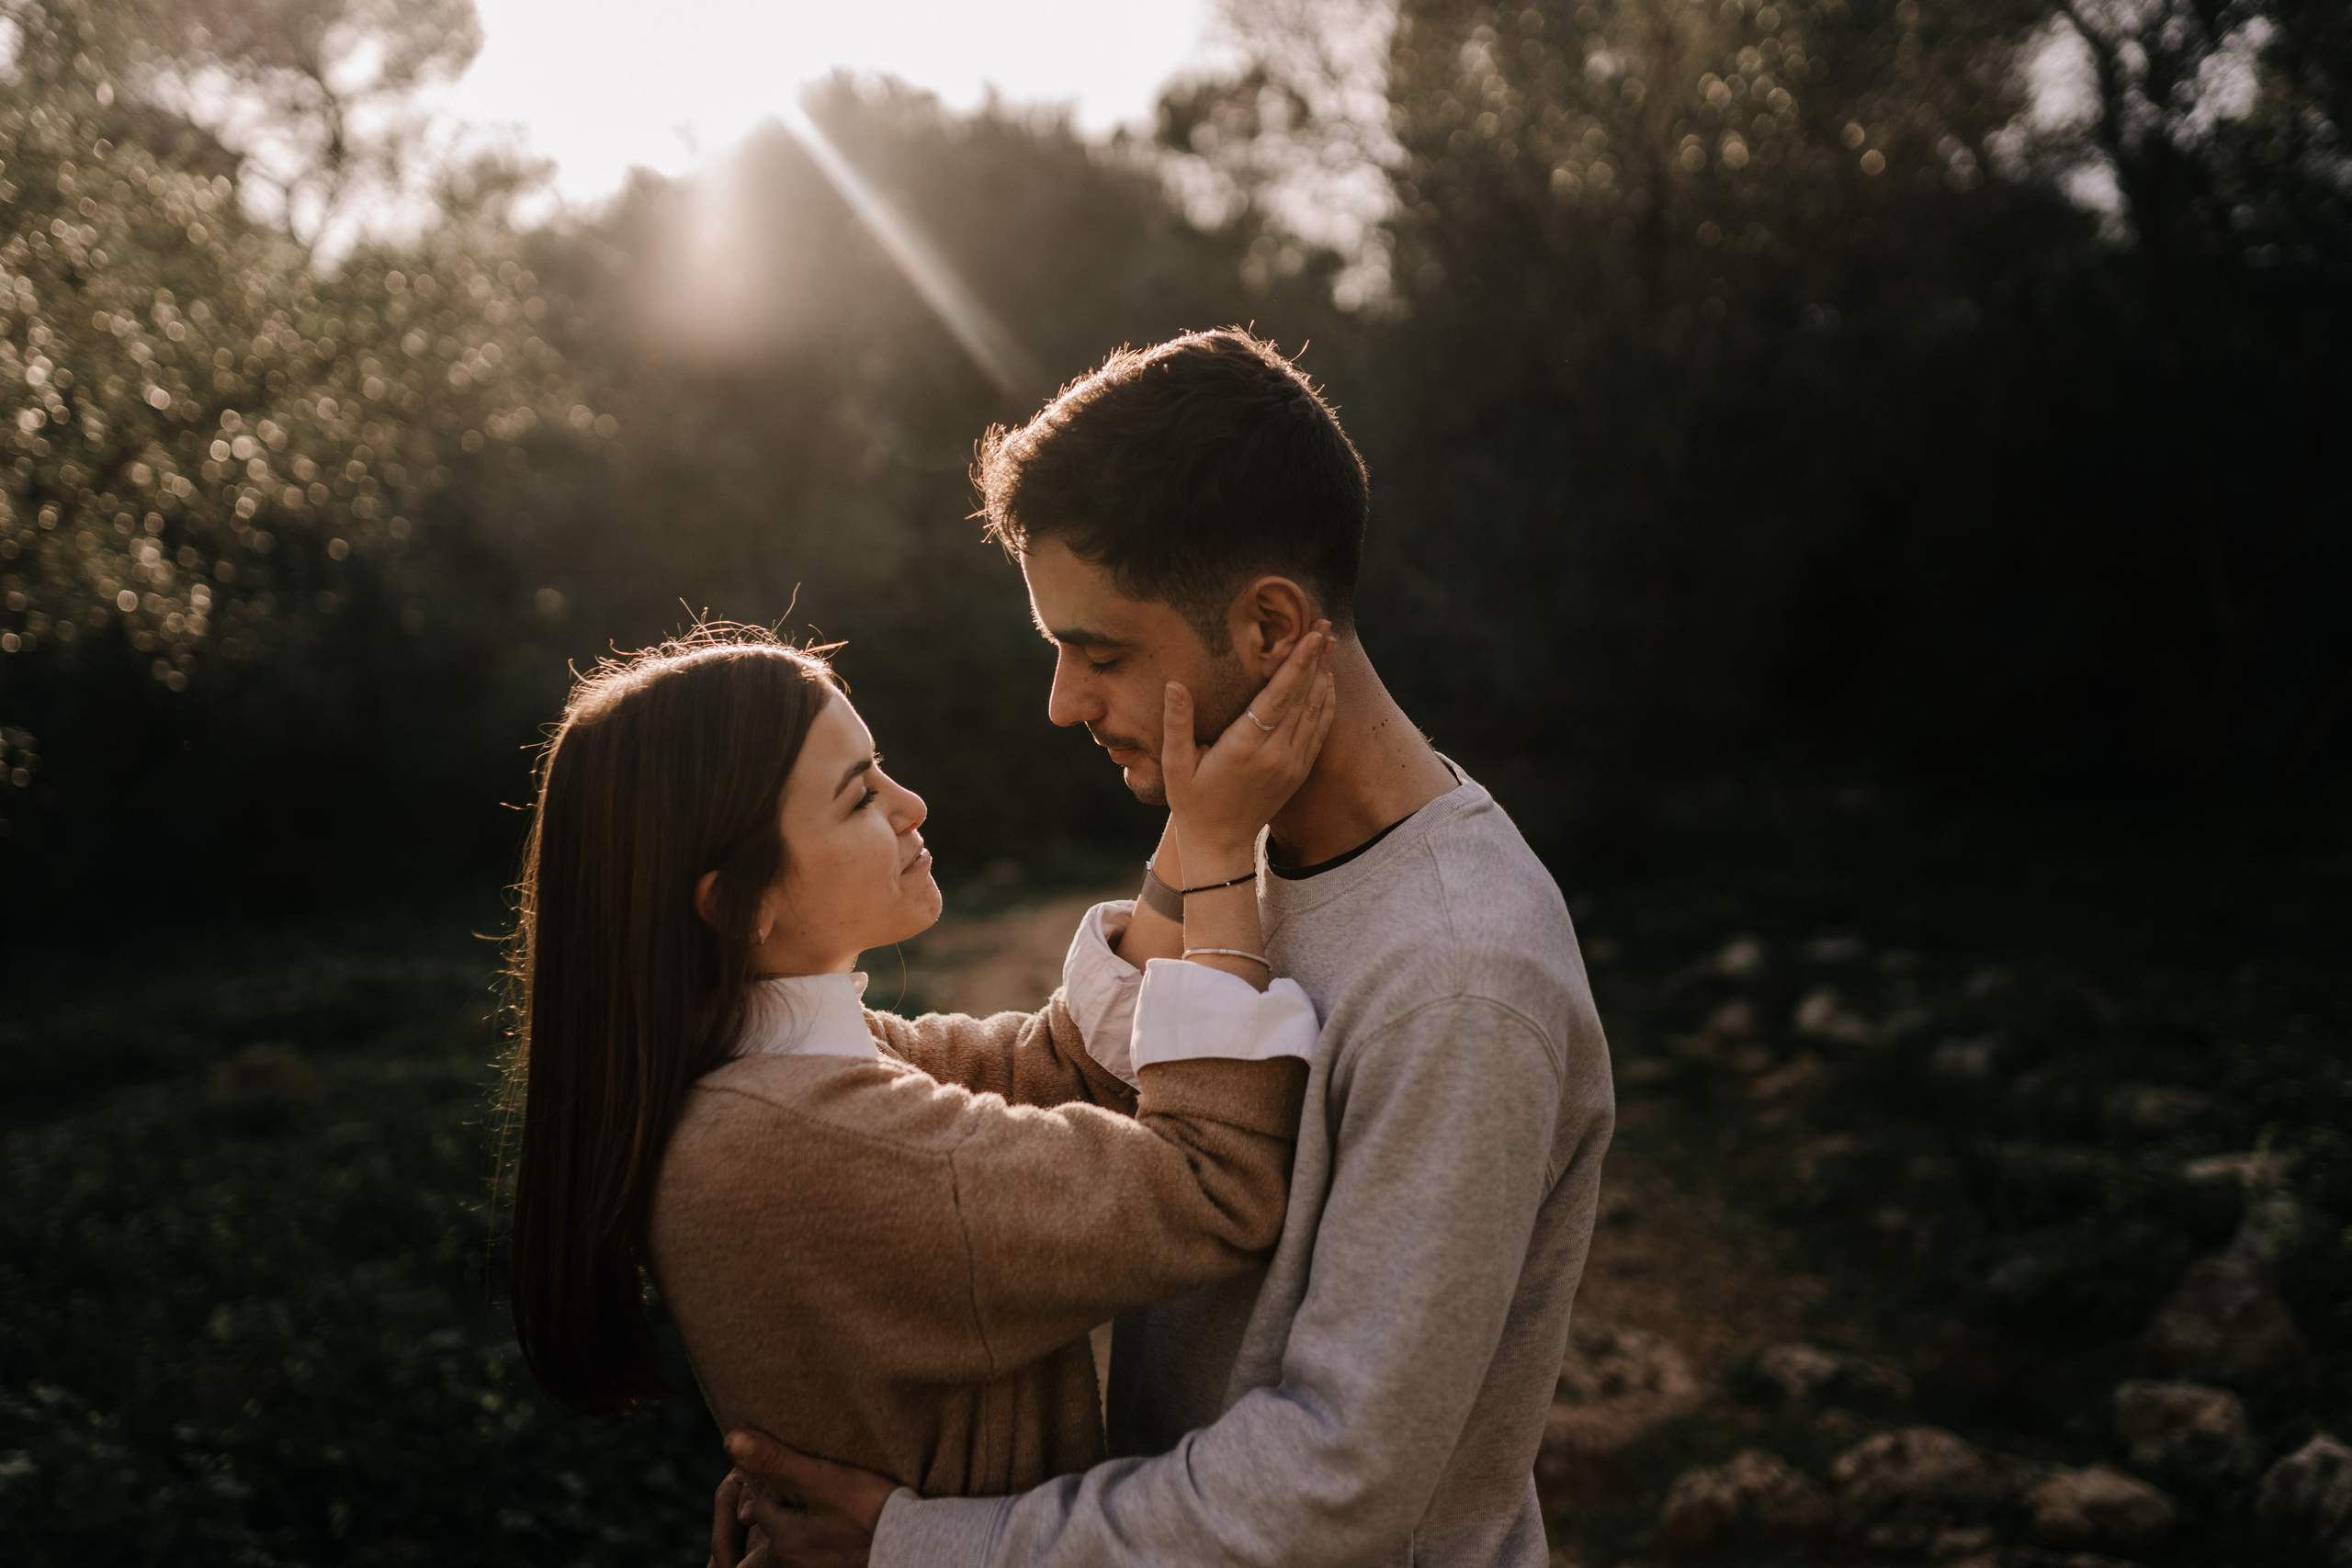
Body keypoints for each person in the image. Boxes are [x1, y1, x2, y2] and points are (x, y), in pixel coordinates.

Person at [715, 330, 1616, 1568]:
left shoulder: (1459, 979)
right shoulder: (1234, 849)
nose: (1063, 703)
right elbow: (1071, 1072)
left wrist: (920, 1542)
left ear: (1268, 625)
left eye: (1103, 652)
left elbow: (1337, 1486)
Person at [503, 618, 1340, 1516]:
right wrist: (1219, 856)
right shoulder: (794, 1144)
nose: (911, 806)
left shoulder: (798, 1076)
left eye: (881, 769)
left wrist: (1195, 806)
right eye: (858, 797)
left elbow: (1063, 1070)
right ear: (741, 904)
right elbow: (1213, 1184)